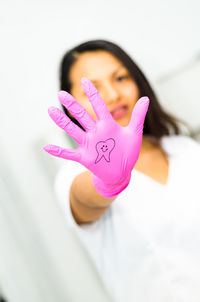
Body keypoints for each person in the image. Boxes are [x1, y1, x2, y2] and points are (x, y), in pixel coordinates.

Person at [44, 40, 200, 301]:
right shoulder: (72, 176)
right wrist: (108, 182)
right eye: (92, 88)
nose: (113, 95)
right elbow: (85, 199)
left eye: (120, 78)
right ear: (72, 108)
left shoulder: (185, 149)